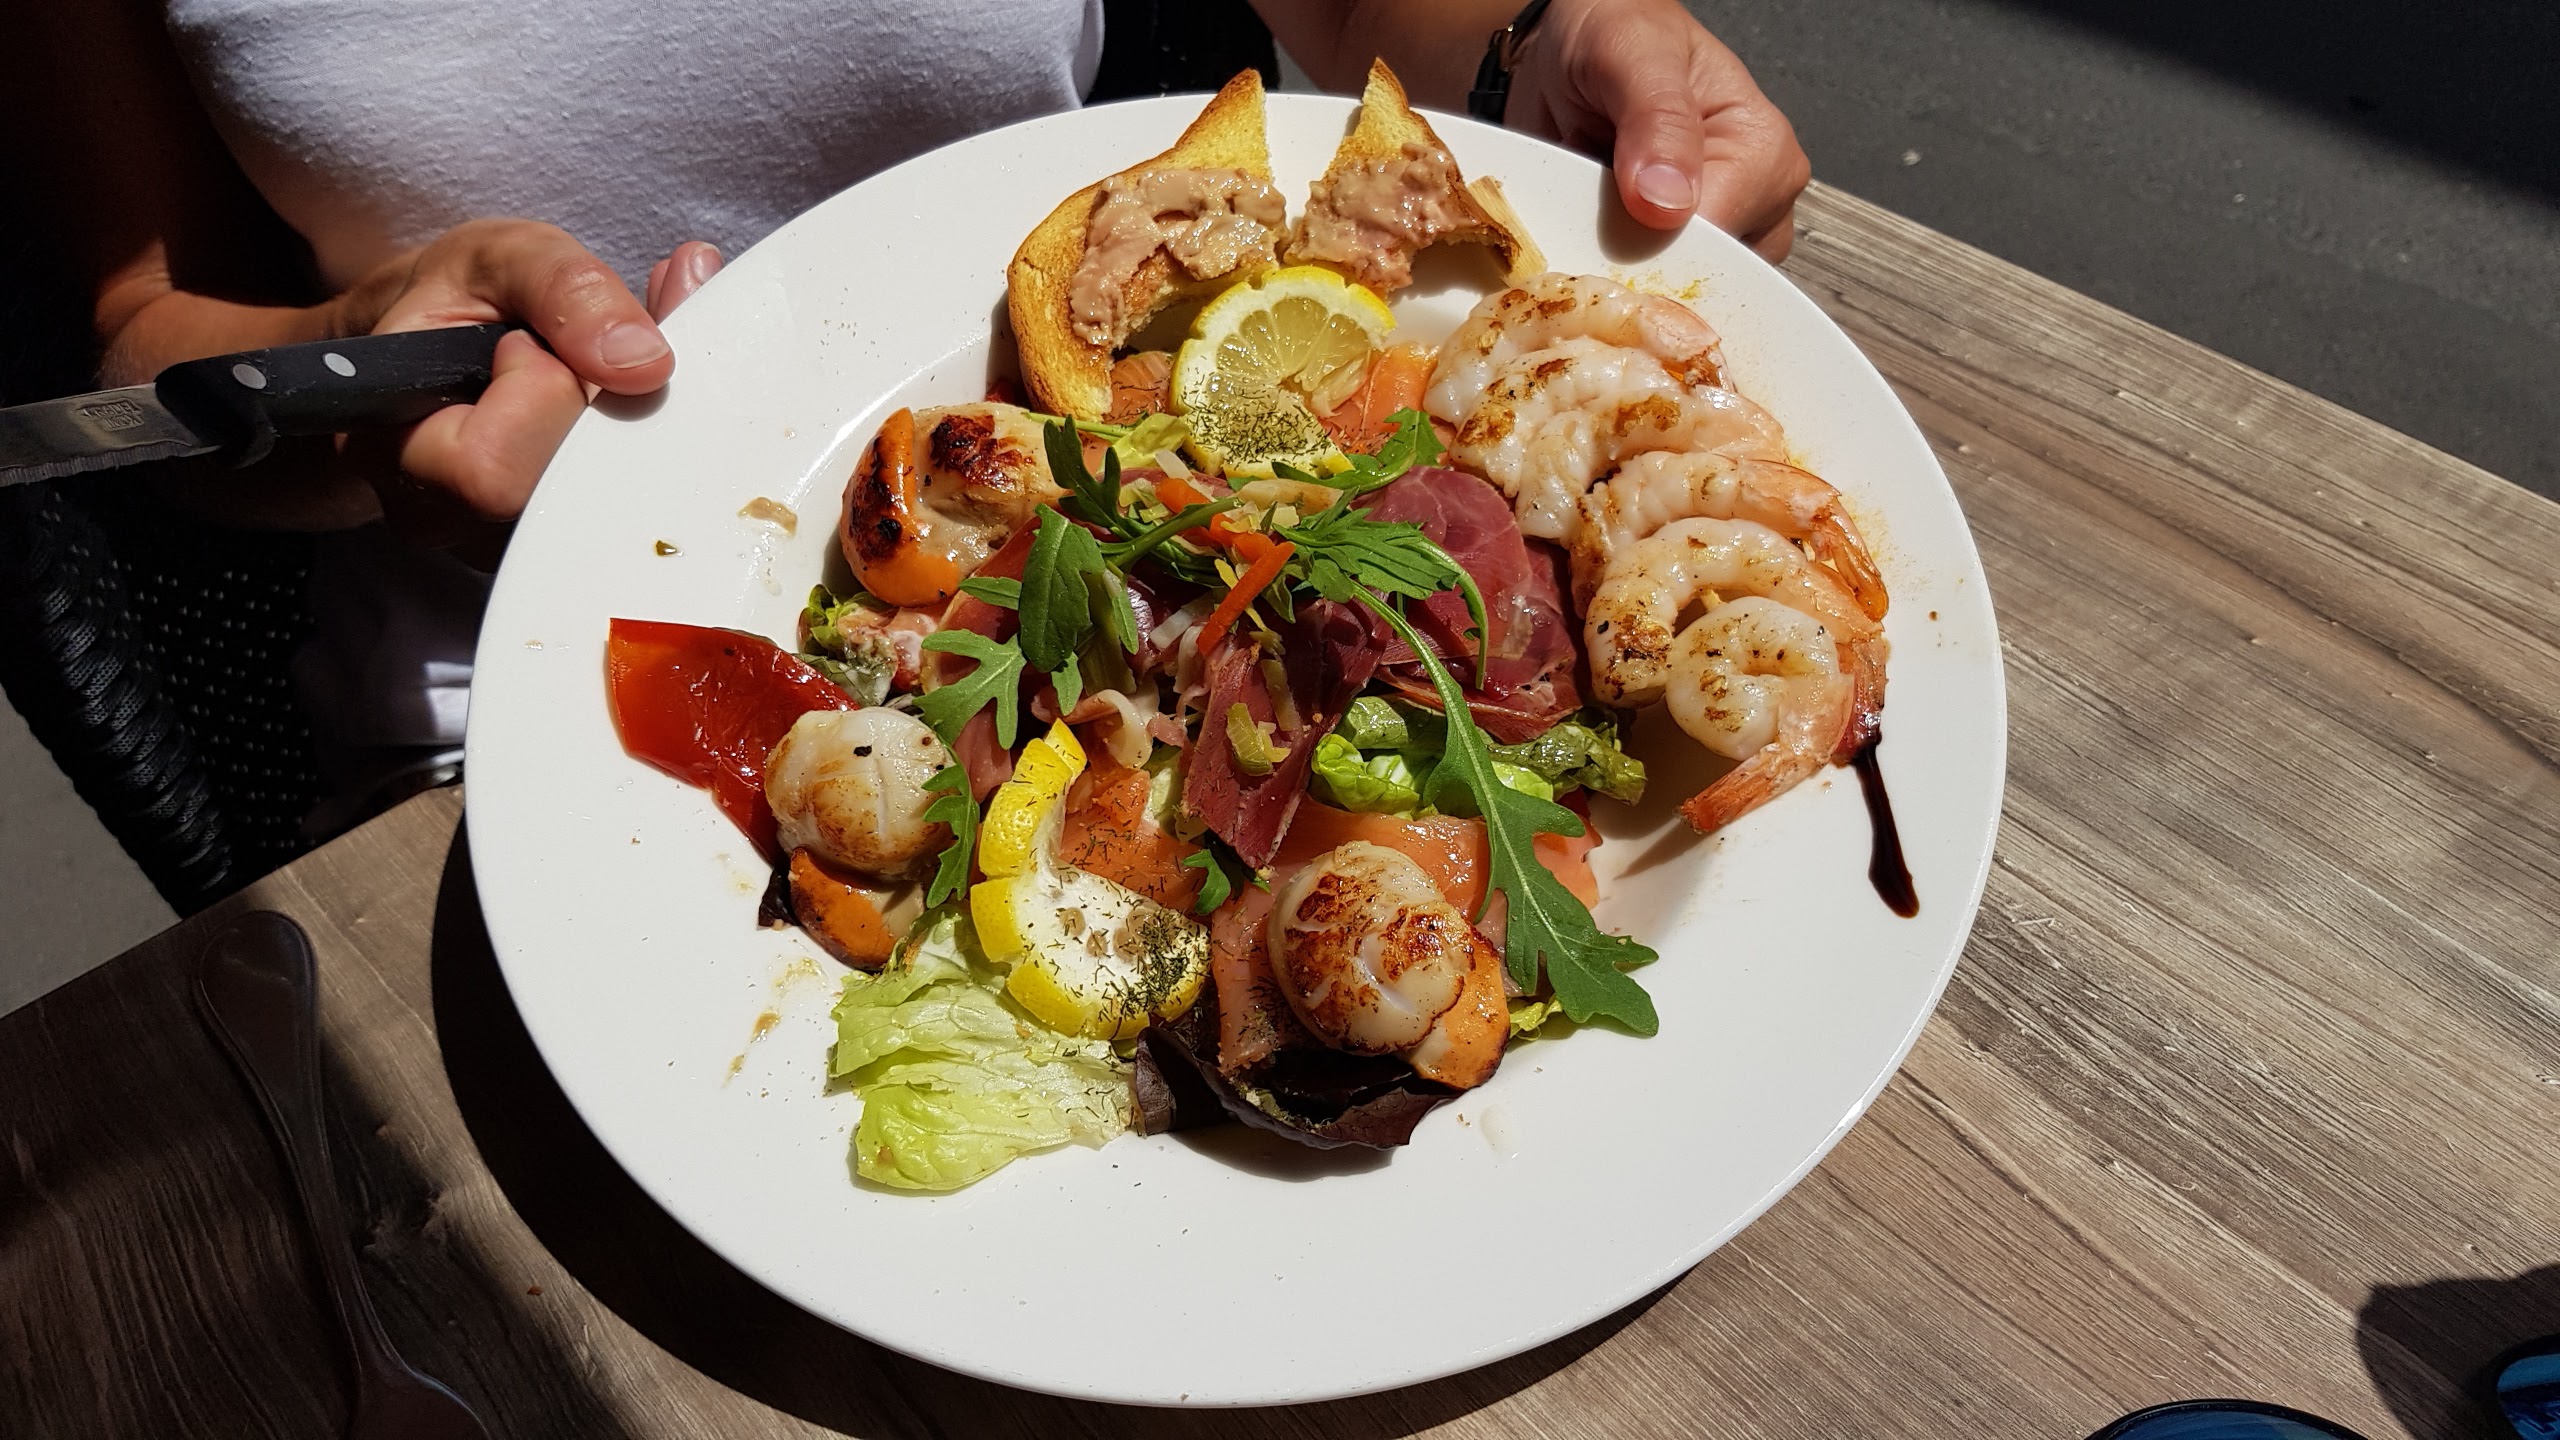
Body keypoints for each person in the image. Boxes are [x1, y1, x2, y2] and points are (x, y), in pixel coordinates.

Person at [7, 0, 1809, 814]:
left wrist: (1541, 30)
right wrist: (347, 375)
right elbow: (132, 338)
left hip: (1141, 500)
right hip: (482, 738)